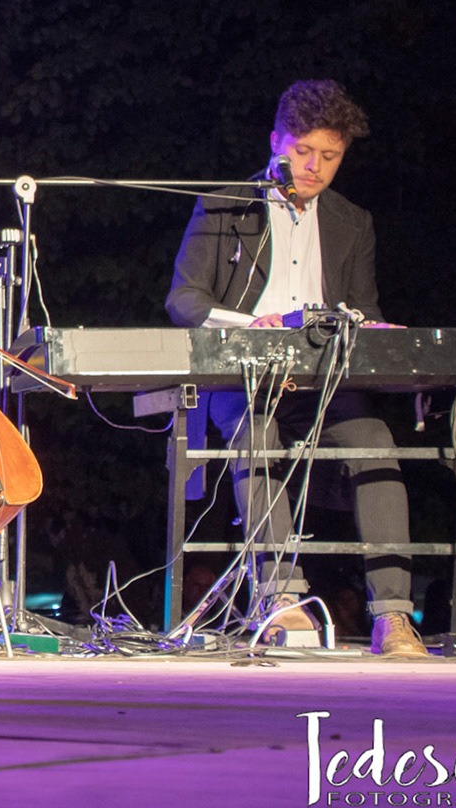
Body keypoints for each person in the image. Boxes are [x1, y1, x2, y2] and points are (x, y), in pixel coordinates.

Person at [166, 79, 423, 657]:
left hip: (323, 382)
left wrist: (373, 329)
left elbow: (366, 307)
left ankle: (393, 615)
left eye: (330, 156)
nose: (314, 167)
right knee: (256, 435)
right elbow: (184, 299)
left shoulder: (352, 221)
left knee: (375, 441)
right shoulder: (225, 203)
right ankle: (280, 598)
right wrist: (250, 324)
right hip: (245, 377)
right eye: (303, 151)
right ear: (276, 141)